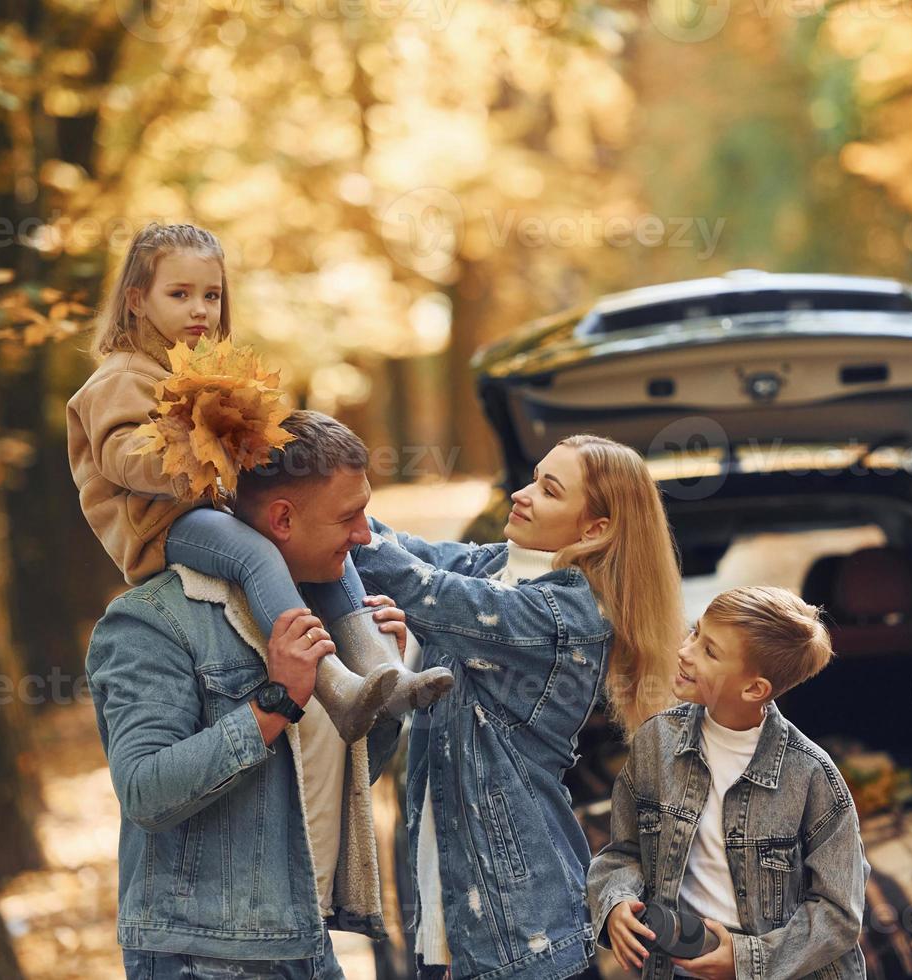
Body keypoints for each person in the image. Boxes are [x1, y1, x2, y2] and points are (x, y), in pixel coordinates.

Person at [67, 221, 450, 741]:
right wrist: (202, 447)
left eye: (212, 295)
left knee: (317, 545)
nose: (200, 309)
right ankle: (334, 686)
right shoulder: (122, 377)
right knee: (255, 553)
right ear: (136, 300)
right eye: (179, 294)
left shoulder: (203, 367)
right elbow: (124, 459)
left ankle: (387, 672)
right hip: (158, 527)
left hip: (208, 509)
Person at [350, 434, 688, 980]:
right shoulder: (497, 566)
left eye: (549, 491)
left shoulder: (568, 615)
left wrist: (325, 512)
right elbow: (406, 549)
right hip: (454, 930)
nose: (522, 494)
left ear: (595, 528)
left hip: (526, 936)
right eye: (532, 478)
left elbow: (420, 584)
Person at [85, 410, 406, 979]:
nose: (366, 536)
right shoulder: (153, 622)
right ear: (282, 518)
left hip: (305, 944)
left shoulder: (322, 616)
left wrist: (382, 693)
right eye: (350, 518)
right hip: (204, 956)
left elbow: (329, 781)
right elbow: (144, 792)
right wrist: (276, 701)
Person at [588, 586, 869, 980]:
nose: (685, 651)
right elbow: (623, 852)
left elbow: (838, 914)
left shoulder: (811, 776)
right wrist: (616, 902)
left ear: (754, 689)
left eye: (710, 651)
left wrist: (746, 961)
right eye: (695, 632)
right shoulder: (655, 742)